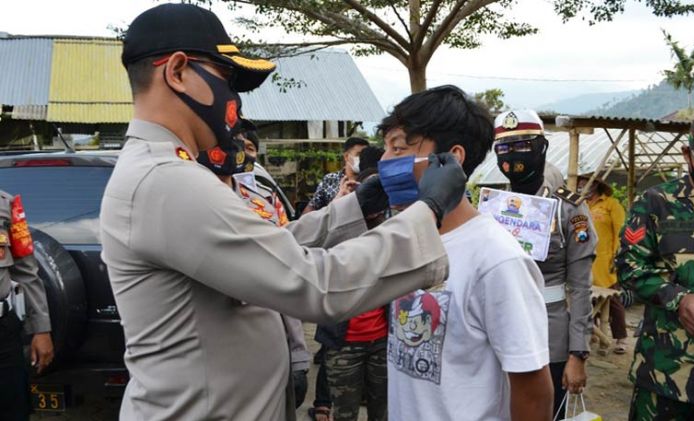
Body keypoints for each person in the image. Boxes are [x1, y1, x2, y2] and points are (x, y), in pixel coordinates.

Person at [101, 4, 466, 420]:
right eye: (227, 79)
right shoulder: (167, 181)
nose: (233, 99)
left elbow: (264, 252)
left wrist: (356, 208)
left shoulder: (163, 171)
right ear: (178, 71)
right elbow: (313, 284)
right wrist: (428, 210)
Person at [382, 86, 553, 421]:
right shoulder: (403, 239)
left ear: (452, 158)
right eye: (385, 147)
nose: (385, 161)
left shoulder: (496, 259)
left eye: (399, 147)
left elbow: (533, 389)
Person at [197, 119, 312, 409]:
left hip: (275, 346)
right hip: (218, 364)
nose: (236, 149)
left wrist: (298, 354)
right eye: (229, 139)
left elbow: (290, 261)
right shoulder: (191, 204)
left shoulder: (263, 200)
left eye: (243, 144)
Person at [494, 109, 595, 419]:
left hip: (547, 335)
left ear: (542, 148)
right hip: (499, 331)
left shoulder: (569, 209)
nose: (512, 156)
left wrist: (577, 354)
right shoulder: (493, 207)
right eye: (503, 148)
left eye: (522, 146)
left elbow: (580, 288)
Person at [616, 117, 694, 420]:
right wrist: (679, 299)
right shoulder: (656, 203)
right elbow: (628, 265)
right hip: (666, 376)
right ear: (687, 154)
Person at [315, 147, 388, 421]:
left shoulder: (390, 229)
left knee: (382, 413)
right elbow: (315, 252)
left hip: (381, 341)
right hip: (342, 342)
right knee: (344, 413)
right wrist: (339, 205)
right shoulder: (338, 229)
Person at [0, 191, 54, 421]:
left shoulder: (6, 204)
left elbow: (26, 271)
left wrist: (41, 329)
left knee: (13, 411)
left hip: (3, 334)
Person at [577, 175, 628, 354]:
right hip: (585, 260)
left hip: (606, 260)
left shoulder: (611, 204)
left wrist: (618, 257)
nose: (582, 187)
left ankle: (620, 338)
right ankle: (596, 334)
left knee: (612, 300)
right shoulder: (580, 205)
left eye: (585, 185)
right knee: (591, 299)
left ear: (597, 185)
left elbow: (621, 232)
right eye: (580, 185)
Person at [304, 137, 369, 214]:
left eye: (365, 155)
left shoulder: (370, 180)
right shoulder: (330, 179)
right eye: (359, 154)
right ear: (346, 156)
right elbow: (312, 207)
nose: (363, 158)